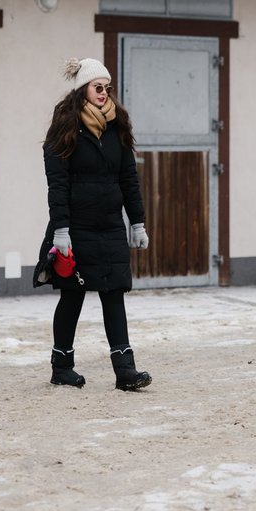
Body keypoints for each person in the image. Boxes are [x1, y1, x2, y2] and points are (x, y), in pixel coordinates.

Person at [40, 57, 152, 391]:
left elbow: (128, 179)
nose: (104, 93)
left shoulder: (117, 127)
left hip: (110, 227)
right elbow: (57, 184)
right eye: (97, 87)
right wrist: (61, 230)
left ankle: (125, 371)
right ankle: (62, 366)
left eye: (107, 88)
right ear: (83, 91)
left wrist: (137, 222)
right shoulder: (65, 130)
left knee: (114, 294)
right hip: (76, 229)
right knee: (72, 297)